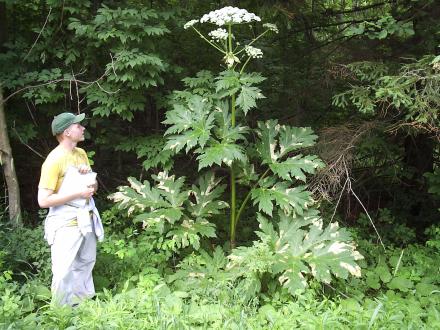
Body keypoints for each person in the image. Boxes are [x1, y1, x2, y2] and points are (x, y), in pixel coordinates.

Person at [38, 112, 104, 306]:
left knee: (86, 262)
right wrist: (77, 194)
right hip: (65, 223)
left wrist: (88, 179)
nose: (83, 128)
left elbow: (93, 188)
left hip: (86, 217)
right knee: (63, 270)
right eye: (78, 126)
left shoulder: (81, 154)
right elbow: (43, 200)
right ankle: (60, 314)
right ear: (66, 132)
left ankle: (82, 306)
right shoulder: (54, 160)